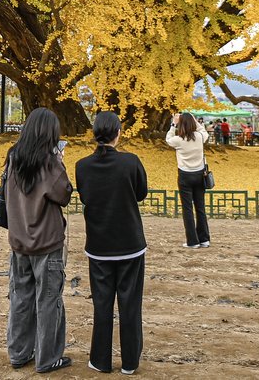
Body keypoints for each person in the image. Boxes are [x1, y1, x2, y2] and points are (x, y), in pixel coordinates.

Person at [75, 110, 148, 376]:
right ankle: (130, 362)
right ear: (118, 133)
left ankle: (100, 360)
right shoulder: (131, 162)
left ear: (95, 134)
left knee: (102, 304)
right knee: (130, 304)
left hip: (99, 244)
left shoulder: (82, 166)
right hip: (130, 242)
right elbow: (141, 194)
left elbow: (84, 197)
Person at [4, 107, 73, 373]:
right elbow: (63, 194)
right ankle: (47, 358)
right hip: (47, 241)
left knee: (20, 298)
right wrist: (61, 162)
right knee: (48, 300)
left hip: (19, 239)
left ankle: (19, 353)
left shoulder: (14, 157)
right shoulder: (49, 162)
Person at [165, 112, 211, 247]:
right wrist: (193, 120)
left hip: (185, 175)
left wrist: (174, 124)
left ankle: (192, 241)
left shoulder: (178, 140)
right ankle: (204, 239)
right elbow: (203, 130)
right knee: (200, 208)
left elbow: (168, 139)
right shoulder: (200, 137)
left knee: (187, 209)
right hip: (199, 174)